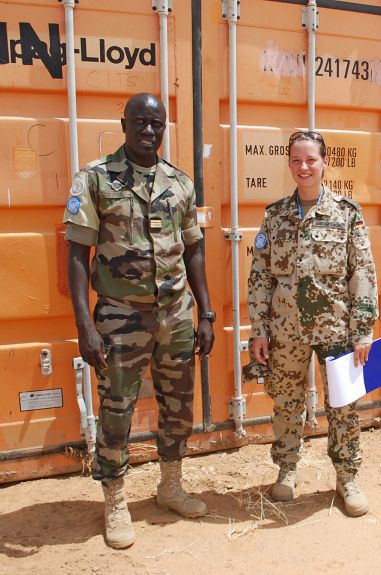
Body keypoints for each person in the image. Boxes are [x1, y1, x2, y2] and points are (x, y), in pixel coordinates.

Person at [63, 92, 215, 549]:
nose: (149, 131)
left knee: (177, 405)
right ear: (124, 123)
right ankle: (115, 502)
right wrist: (84, 327)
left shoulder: (180, 183)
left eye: (157, 124)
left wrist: (205, 310)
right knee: (116, 413)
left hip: (176, 314)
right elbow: (75, 251)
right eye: (141, 122)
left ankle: (170, 487)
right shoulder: (95, 178)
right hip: (119, 317)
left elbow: (194, 249)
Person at [246, 130, 378, 517]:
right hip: (285, 331)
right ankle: (287, 470)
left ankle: (347, 477)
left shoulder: (347, 213)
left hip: (336, 329)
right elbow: (260, 276)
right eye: (296, 160)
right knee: (286, 403)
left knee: (343, 407)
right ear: (289, 164)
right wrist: (259, 328)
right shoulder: (275, 215)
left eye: (311, 160)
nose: (303, 167)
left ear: (325, 163)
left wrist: (363, 331)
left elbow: (363, 274)